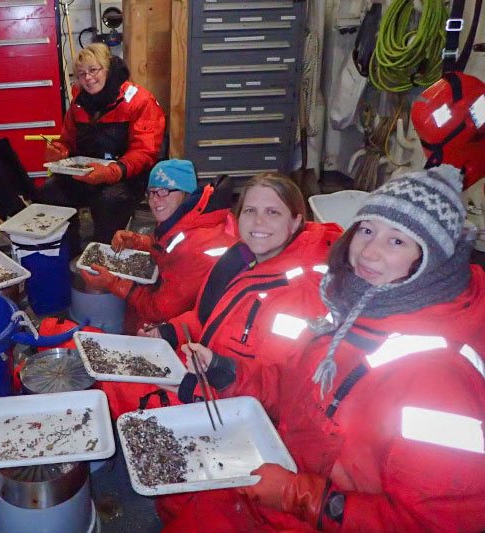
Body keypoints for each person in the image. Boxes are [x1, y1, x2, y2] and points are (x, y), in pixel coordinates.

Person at [166, 165, 485, 532]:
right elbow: (295, 388)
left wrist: (299, 496)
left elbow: (434, 523)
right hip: (282, 478)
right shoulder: (353, 313)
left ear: (432, 262)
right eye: (367, 230)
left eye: (397, 240)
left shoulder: (443, 377)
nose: (368, 252)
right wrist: (226, 373)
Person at [100, 173, 342, 418]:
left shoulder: (305, 294)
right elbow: (211, 318)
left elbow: (282, 393)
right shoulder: (243, 259)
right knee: (105, 368)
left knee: (108, 396)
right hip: (204, 377)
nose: (258, 222)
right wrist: (169, 331)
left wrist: (207, 380)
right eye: (250, 211)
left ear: (295, 221)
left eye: (272, 212)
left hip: (232, 409)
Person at [79, 159, 238, 334]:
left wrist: (113, 283)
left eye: (164, 191)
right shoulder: (193, 216)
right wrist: (137, 241)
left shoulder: (197, 246)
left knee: (138, 321)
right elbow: (169, 245)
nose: (155, 200)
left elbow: (159, 310)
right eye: (151, 192)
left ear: (186, 193)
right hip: (183, 299)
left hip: (196, 328)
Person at [37, 42, 166, 247]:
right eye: (81, 74)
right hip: (88, 173)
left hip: (126, 177)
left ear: (107, 69)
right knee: (48, 193)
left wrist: (113, 171)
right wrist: (60, 151)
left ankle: (103, 255)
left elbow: (145, 152)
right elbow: (68, 140)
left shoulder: (139, 101)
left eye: (93, 70)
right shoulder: (79, 102)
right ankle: (67, 249)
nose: (88, 78)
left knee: (109, 202)